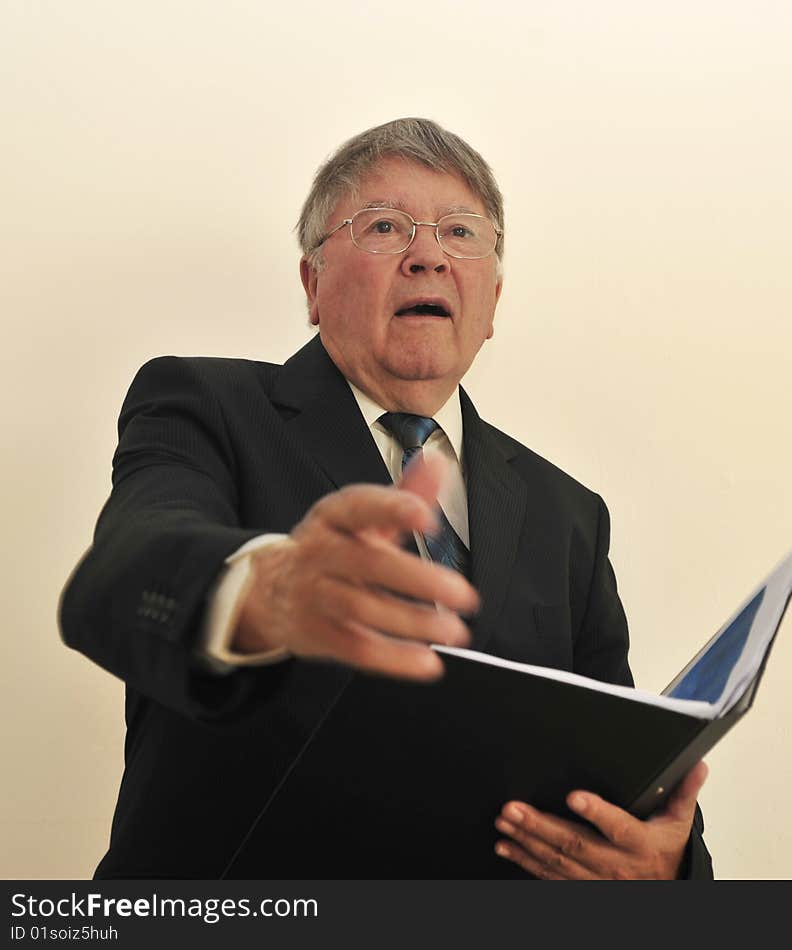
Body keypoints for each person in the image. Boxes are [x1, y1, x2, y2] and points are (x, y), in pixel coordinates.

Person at [59, 117, 712, 880]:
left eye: (461, 232)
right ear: (312, 283)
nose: (429, 255)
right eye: (385, 226)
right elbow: (118, 579)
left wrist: (665, 868)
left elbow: (615, 754)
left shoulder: (568, 512)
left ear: (493, 301)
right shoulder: (206, 404)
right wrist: (262, 587)